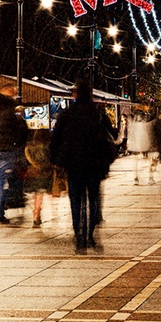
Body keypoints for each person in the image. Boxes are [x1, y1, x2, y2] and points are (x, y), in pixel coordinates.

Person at [49, 77, 116, 254]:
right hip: (94, 163)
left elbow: (55, 139)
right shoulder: (98, 114)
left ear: (76, 94)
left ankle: (79, 236)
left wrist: (55, 159)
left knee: (76, 200)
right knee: (93, 199)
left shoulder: (67, 114)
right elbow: (111, 136)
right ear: (91, 94)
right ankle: (91, 235)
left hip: (74, 164)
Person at [0, 90, 28, 224]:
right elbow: (21, 132)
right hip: (8, 151)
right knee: (8, 180)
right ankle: (1, 210)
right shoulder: (10, 115)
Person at [24, 128, 53, 227]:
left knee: (38, 194)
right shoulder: (47, 148)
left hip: (34, 173)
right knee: (44, 193)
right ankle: (38, 213)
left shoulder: (29, 147)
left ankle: (36, 214)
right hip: (45, 174)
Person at [127, 110, 156, 185]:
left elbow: (130, 134)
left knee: (136, 163)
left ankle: (137, 179)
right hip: (145, 145)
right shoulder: (146, 125)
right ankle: (150, 178)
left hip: (136, 146)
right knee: (150, 162)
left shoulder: (133, 125)